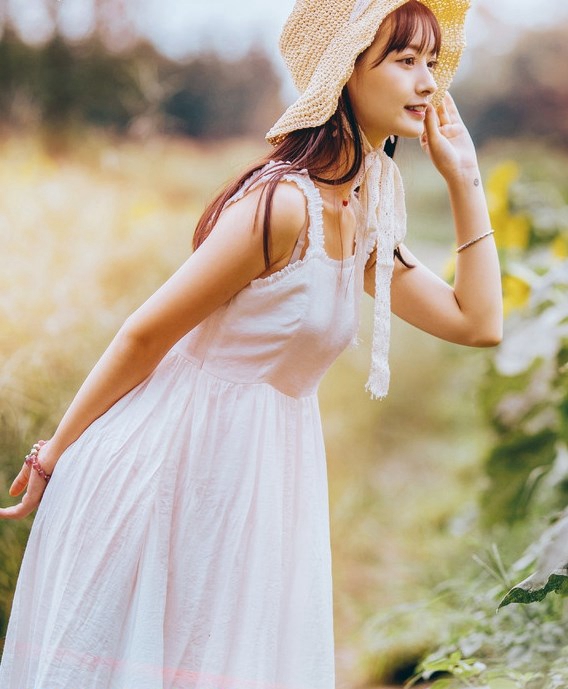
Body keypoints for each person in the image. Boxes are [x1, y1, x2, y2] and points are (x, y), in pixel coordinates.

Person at [0, 0, 502, 687]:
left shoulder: (358, 220)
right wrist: (54, 454)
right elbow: (146, 334)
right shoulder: (282, 206)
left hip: (260, 480)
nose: (428, 84)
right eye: (406, 61)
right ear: (346, 72)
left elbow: (479, 322)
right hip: (177, 472)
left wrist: (465, 181)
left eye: (431, 65)